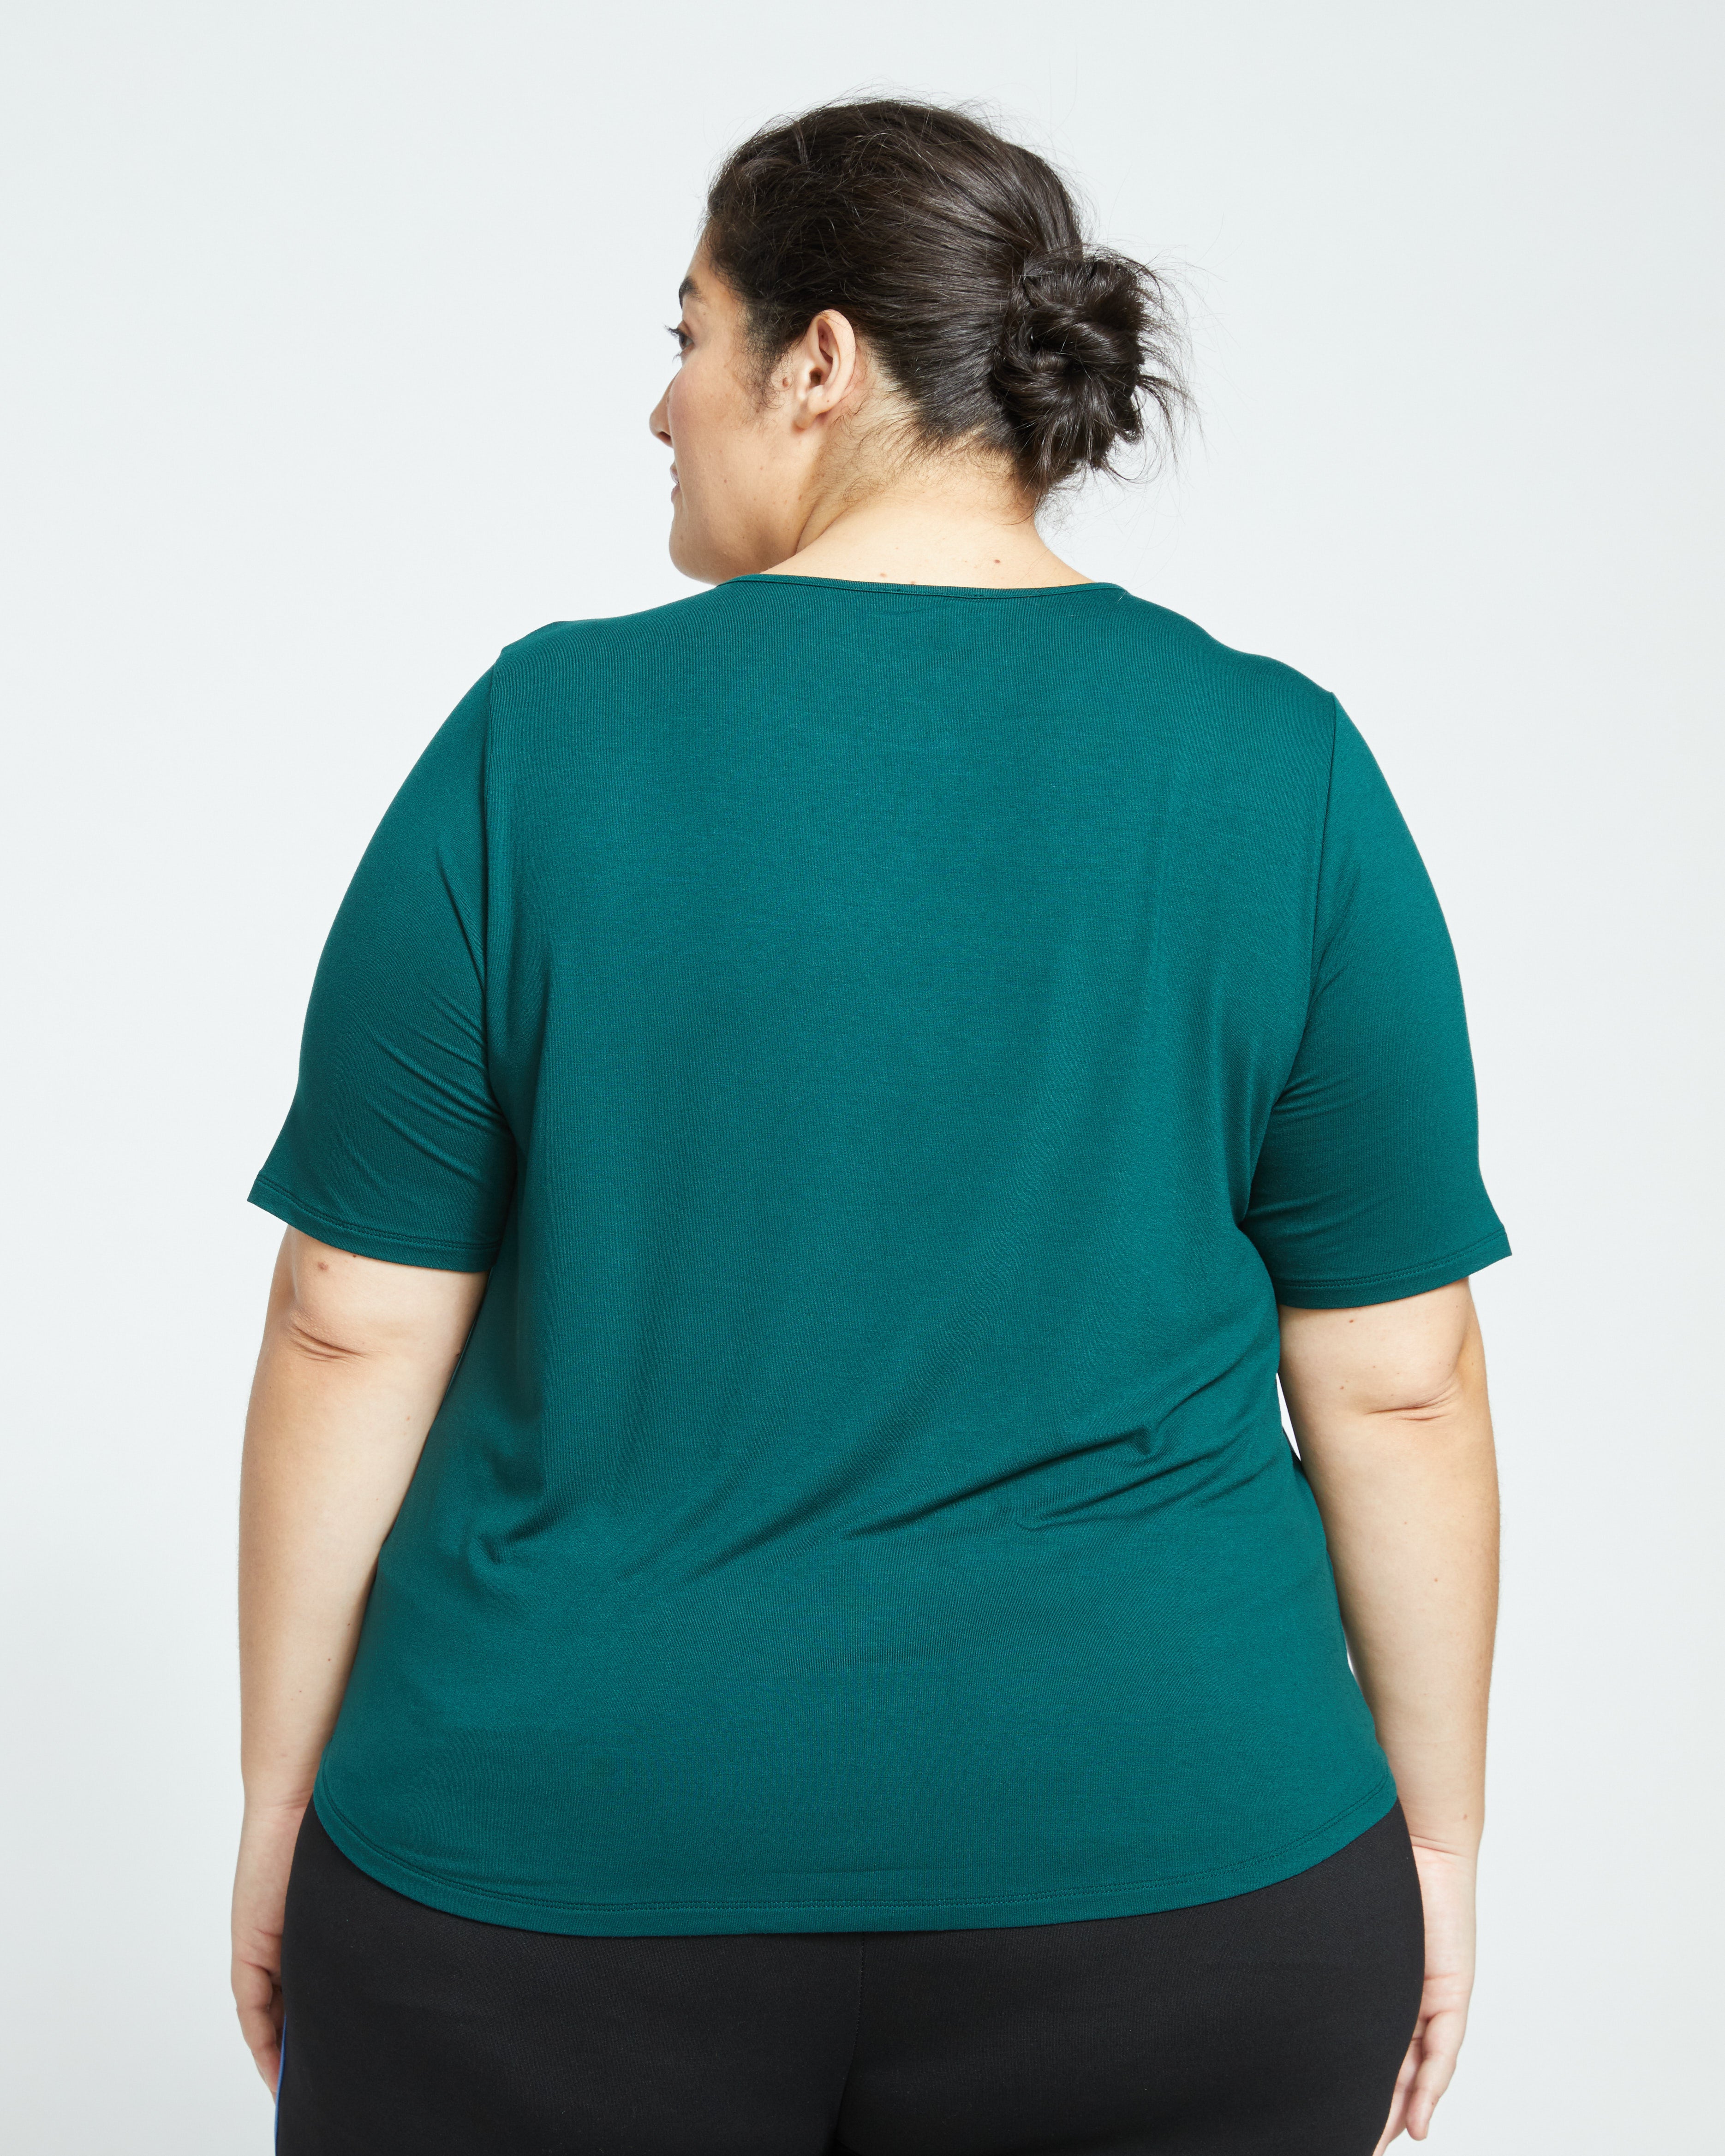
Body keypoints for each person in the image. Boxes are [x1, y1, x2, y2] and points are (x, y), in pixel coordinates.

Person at [232, 97, 1507, 2156]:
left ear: (815, 360)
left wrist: (280, 1799)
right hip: (1180, 1872)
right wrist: (1433, 1842)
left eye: (688, 334)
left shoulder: (534, 739)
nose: (661, 405)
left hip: (548, 1875)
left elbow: (344, 1320)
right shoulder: (1280, 765)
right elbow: (1401, 1378)